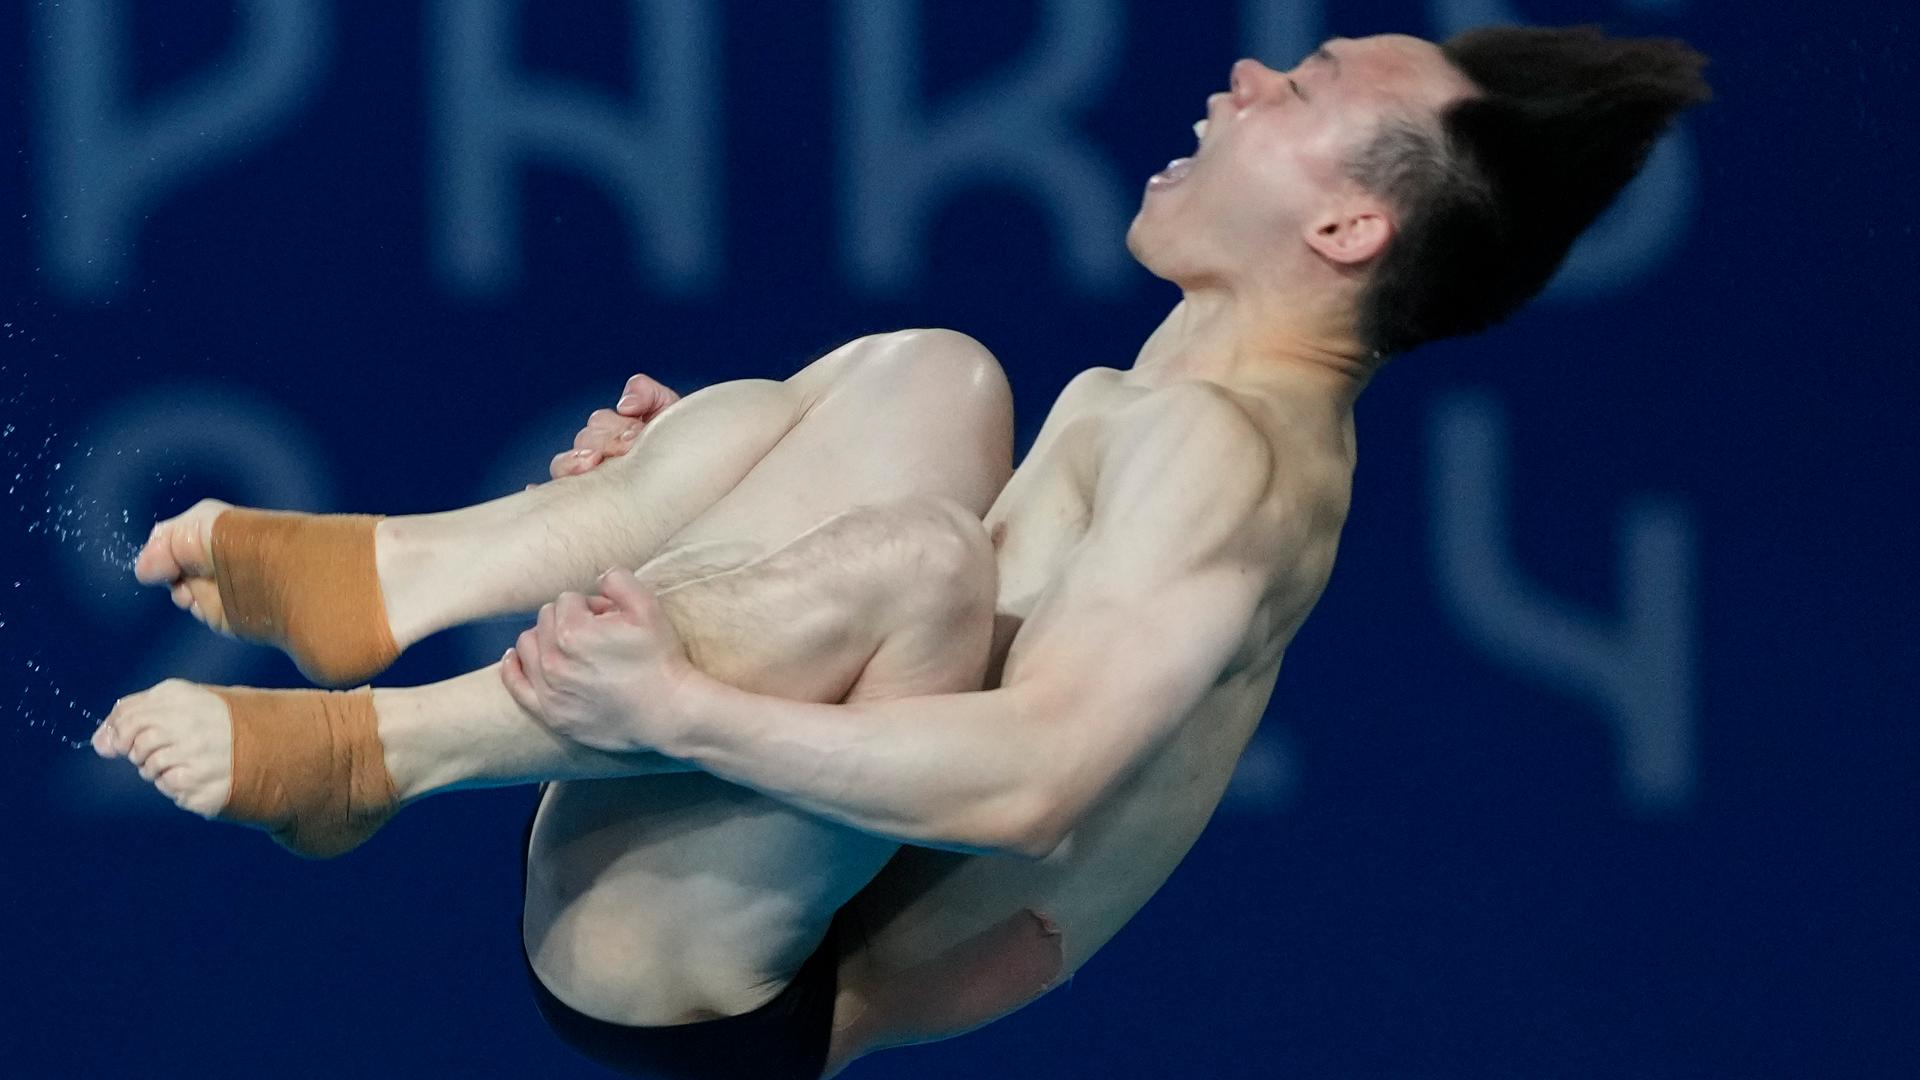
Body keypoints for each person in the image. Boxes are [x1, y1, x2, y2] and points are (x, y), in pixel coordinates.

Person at [92, 26, 1710, 1079]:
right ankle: (400, 577)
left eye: (1305, 92)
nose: (1246, 77)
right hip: (748, 867)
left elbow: (1034, 783)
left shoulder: (1235, 461)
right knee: (921, 376)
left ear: (1349, 230)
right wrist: (692, 499)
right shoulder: (1157, 393)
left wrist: (680, 705)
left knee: (924, 561)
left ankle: (373, 751)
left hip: (732, 986)